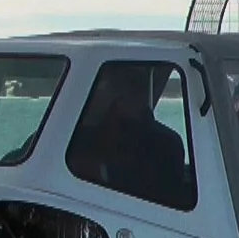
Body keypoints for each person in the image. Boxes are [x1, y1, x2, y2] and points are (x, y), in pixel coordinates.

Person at [66, 64, 193, 210]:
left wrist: (100, 168)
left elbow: (141, 182)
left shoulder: (164, 143)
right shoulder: (89, 134)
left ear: (122, 99)